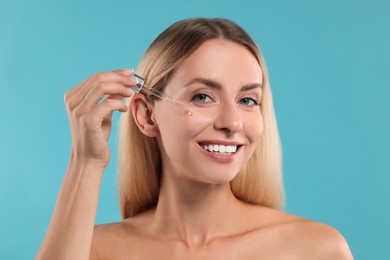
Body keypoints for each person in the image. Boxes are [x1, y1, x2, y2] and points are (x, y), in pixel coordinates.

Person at [36, 18, 353, 259]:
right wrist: (86, 161)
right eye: (203, 97)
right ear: (147, 115)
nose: (231, 123)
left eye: (247, 101)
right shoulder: (89, 250)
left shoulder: (315, 249)